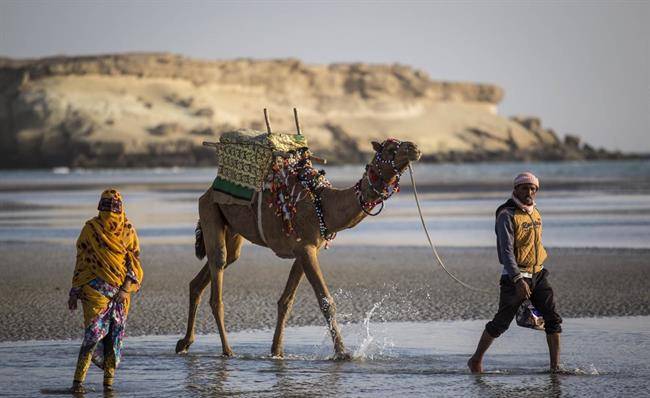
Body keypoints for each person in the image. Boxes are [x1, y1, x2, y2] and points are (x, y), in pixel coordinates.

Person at [467, 172, 562, 373]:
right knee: (501, 323)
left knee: (553, 319)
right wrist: (518, 279)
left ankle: (555, 368)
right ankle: (475, 360)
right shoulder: (506, 214)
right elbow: (506, 251)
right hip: (515, 277)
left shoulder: (535, 212)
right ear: (516, 189)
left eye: (533, 189)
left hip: (539, 273)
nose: (529, 192)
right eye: (525, 188)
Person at [68, 188, 143, 393]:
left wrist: (125, 289)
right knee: (92, 336)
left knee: (113, 339)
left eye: (114, 206)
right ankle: (77, 383)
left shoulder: (128, 230)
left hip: (120, 295)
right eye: (106, 205)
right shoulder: (90, 229)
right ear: (100, 207)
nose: (110, 211)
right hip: (93, 291)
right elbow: (81, 262)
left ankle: (108, 386)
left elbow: (134, 265)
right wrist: (74, 289)